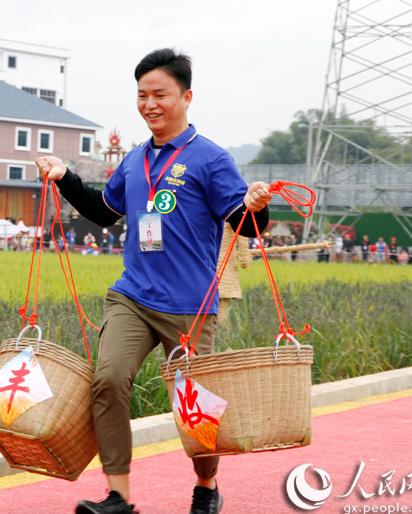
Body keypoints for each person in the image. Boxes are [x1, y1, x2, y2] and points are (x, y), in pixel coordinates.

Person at [35, 48, 271, 514]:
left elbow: (244, 224)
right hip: (133, 296)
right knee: (108, 380)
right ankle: (119, 497)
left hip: (189, 304)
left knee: (193, 409)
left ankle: (206, 486)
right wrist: (66, 178)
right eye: (142, 95)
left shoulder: (211, 159)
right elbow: (105, 212)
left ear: (186, 96)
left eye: (160, 94)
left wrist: (258, 206)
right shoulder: (135, 159)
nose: (149, 104)